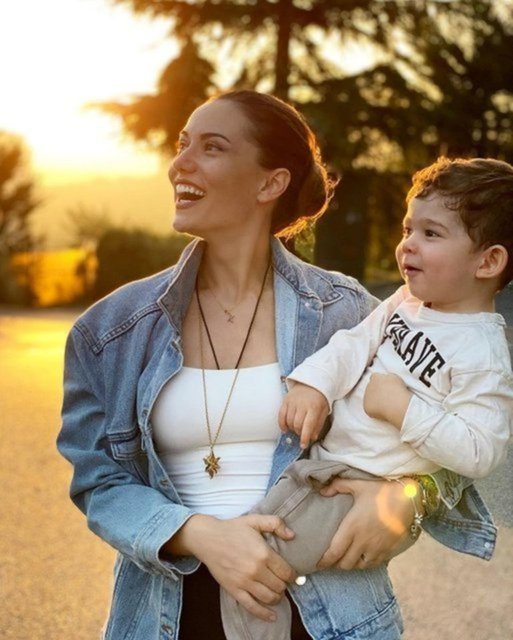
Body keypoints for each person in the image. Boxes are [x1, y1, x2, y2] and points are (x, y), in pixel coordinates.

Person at [57, 91, 497, 640]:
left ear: (271, 184)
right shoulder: (110, 331)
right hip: (165, 614)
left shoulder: (347, 313)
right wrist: (199, 534)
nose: (180, 164)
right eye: (182, 144)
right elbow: (98, 480)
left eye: (211, 147)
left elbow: (460, 438)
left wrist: (409, 498)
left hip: (330, 615)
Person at [221, 156, 513, 640]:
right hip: (324, 465)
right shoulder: (406, 301)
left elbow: (482, 450)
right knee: (246, 541)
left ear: (488, 262)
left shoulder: (482, 355)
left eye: (431, 234)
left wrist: (403, 409)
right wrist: (315, 384)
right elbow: (353, 344)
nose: (408, 244)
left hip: (363, 484)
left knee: (253, 566)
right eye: (408, 229)